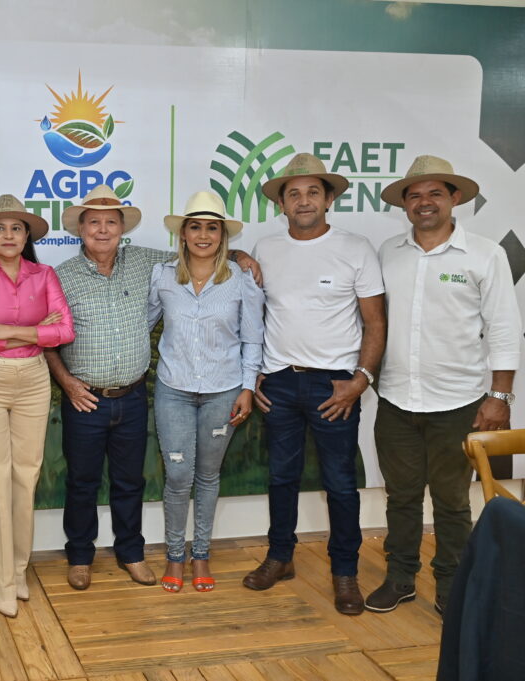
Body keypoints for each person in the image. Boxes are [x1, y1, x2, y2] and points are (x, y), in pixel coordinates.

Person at [365, 155, 521, 616]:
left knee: (452, 502)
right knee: (401, 497)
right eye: (414, 195)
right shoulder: (388, 252)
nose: (424, 202)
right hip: (396, 401)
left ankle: (453, 586)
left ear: (454, 199)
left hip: (459, 403)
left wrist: (499, 397)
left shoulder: (485, 254)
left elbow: (504, 329)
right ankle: (400, 578)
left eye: (435, 193)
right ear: (404, 205)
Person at [243, 153, 386, 616]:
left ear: (328, 199)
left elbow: (375, 322)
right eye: (294, 194)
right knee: (280, 477)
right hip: (279, 383)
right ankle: (280, 556)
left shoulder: (356, 248)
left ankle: (345, 572)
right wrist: (257, 372)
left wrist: (360, 381)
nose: (303, 201)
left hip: (335, 387)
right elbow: (254, 312)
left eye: (312, 192)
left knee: (340, 484)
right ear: (281, 204)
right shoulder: (265, 248)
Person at [0, 194, 75, 617]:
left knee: (26, 476)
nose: (8, 235)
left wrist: (6, 330)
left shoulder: (44, 275)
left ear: (27, 237)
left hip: (34, 380)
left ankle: (19, 570)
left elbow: (65, 331)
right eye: (0, 228)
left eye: (17, 228)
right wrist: (35, 331)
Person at [149, 191, 264, 594]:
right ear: (182, 234)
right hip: (174, 390)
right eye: (195, 227)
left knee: (208, 475)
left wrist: (247, 387)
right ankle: (174, 555)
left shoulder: (242, 280)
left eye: (211, 228)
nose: (203, 235)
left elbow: (252, 338)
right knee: (179, 475)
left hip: (224, 390)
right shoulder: (162, 276)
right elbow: (143, 324)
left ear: (222, 235)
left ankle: (201, 554)